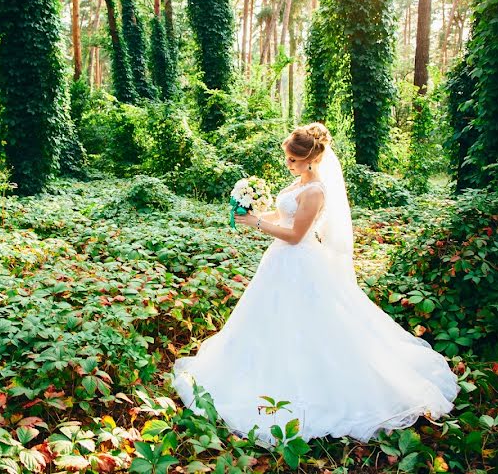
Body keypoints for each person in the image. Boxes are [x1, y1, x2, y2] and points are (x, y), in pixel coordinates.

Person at [172, 123, 458, 444]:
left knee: (311, 324)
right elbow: (286, 217)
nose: (288, 164)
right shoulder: (300, 182)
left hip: (301, 262)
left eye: (293, 160)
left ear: (311, 159)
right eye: (287, 158)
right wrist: (253, 210)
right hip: (278, 263)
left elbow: (296, 236)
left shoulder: (316, 191)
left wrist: (257, 223)